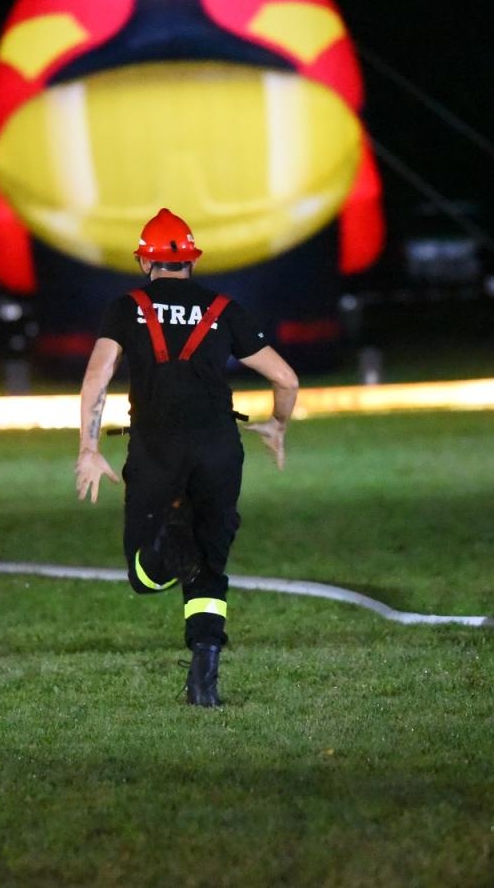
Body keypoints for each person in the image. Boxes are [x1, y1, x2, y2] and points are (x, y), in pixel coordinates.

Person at [76, 208, 299, 707]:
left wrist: (89, 448)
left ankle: (169, 543)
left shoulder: (126, 307)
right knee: (209, 566)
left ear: (144, 262)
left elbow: (97, 378)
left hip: (157, 447)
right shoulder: (224, 307)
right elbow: (286, 379)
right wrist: (279, 425)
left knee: (143, 575)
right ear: (192, 263)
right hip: (220, 448)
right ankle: (204, 684)